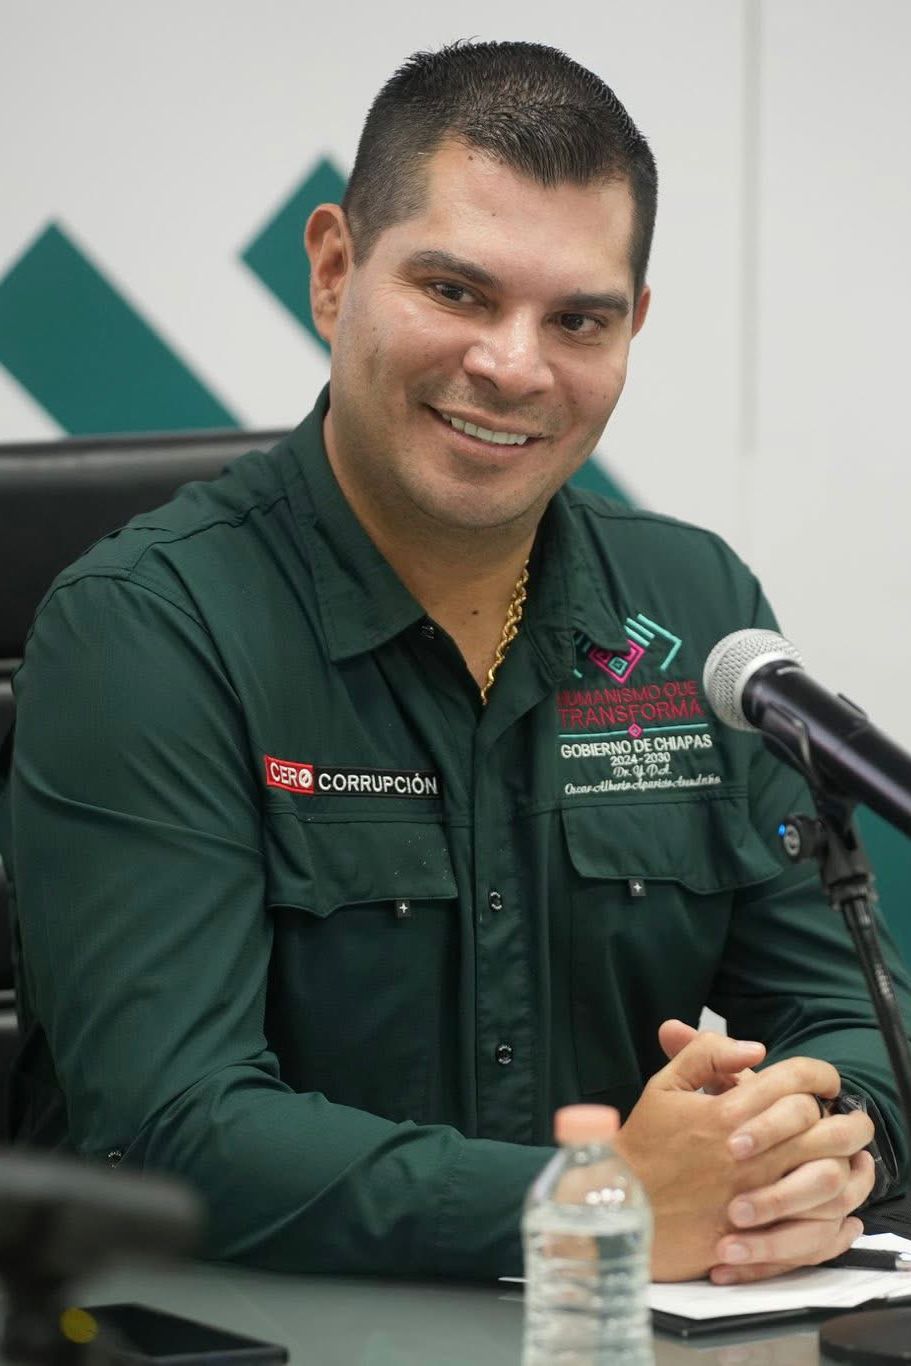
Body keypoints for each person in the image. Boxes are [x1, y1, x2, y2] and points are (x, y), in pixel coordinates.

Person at [0, 40, 908, 1286]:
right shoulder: (145, 629)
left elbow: (851, 1027)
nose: (513, 366)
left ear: (632, 328)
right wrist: (597, 1203)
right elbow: (168, 1125)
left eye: (576, 319)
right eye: (456, 291)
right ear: (334, 270)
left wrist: (807, 1157)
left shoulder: (692, 613)